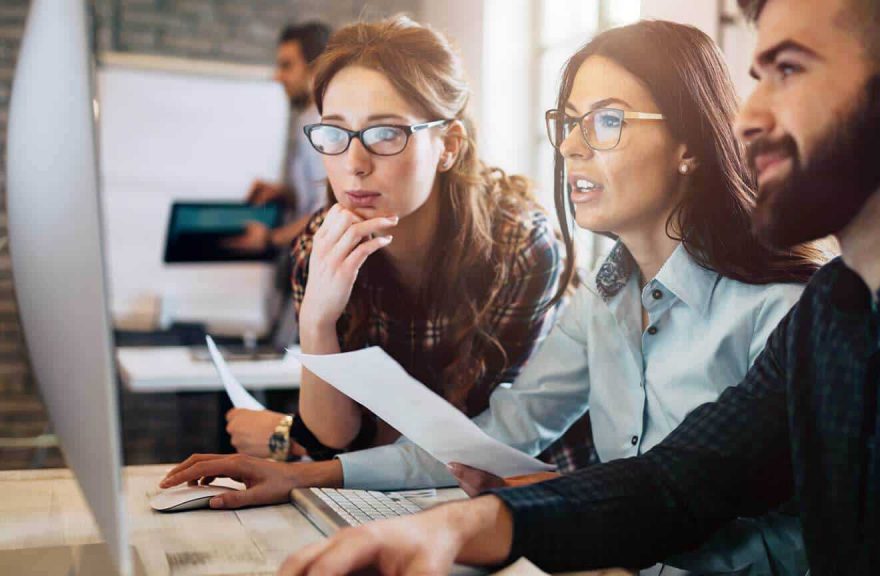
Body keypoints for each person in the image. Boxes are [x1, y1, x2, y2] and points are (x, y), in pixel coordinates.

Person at [270, 0, 880, 574]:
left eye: (788, 71)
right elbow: (677, 482)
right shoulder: (838, 309)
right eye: (757, 76)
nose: (749, 117)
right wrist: (459, 526)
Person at [164, 20, 827, 575]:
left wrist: (521, 519)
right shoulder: (605, 300)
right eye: (568, 122)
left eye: (606, 120)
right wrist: (307, 474)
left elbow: (760, 527)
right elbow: (493, 438)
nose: (569, 146)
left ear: (689, 144)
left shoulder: (786, 316)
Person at [189, 16, 595, 472]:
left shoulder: (519, 247)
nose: (354, 164)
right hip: (397, 490)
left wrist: (290, 438)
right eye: (334, 133)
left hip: (534, 494)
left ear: (448, 146)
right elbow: (335, 434)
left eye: (386, 133)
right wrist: (317, 321)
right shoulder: (320, 243)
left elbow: (460, 438)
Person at [226, 21, 332, 255]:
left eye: (287, 66)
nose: (278, 76)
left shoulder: (323, 127)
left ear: (315, 69)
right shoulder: (306, 119)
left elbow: (329, 210)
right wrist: (285, 194)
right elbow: (315, 197)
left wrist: (271, 238)